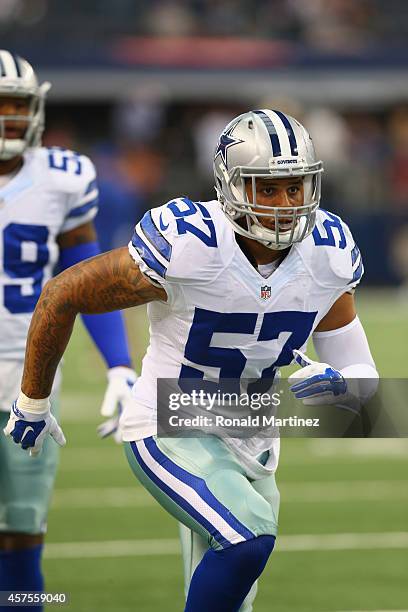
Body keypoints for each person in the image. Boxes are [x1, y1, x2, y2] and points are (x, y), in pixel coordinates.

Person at [4, 108, 379, 611]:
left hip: (254, 431)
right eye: (266, 189)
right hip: (169, 419)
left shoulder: (327, 251)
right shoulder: (189, 241)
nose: (285, 204)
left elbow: (362, 373)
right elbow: (63, 293)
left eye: (295, 187)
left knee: (235, 591)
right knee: (248, 537)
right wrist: (33, 400)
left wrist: (343, 387)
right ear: (229, 185)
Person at [0, 50, 136, 609]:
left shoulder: (63, 178)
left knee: (23, 532)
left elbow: (87, 280)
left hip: (30, 378)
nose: (9, 116)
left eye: (17, 105)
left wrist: (120, 364)